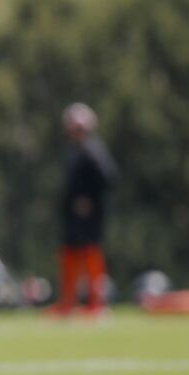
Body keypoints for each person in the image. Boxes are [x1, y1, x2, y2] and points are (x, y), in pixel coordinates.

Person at [43, 103, 117, 318]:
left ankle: (96, 304)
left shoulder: (93, 151)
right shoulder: (74, 151)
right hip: (73, 217)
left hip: (89, 218)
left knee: (90, 256)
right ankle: (67, 303)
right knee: (69, 255)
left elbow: (108, 179)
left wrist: (88, 200)